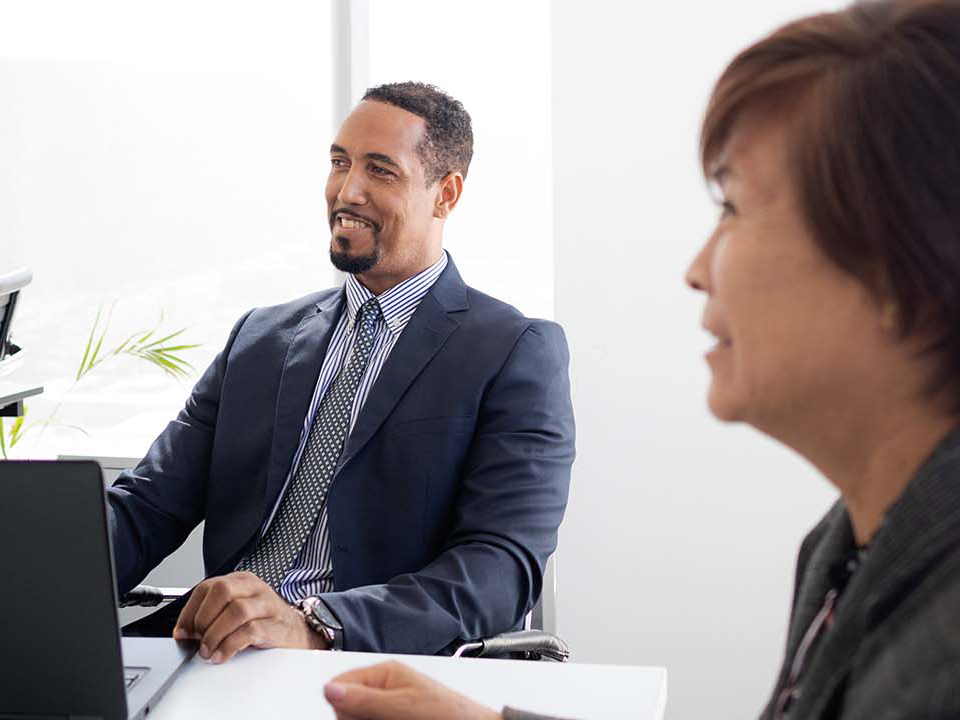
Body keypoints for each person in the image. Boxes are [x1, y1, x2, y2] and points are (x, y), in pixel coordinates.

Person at [321, 1, 960, 718]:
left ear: (907, 265)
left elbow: (498, 563)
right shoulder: (846, 543)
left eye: (737, 210)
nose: (696, 269)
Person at [107, 81, 576, 662]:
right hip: (215, 651)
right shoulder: (259, 338)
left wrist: (316, 624)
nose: (346, 191)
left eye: (380, 170)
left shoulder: (514, 351)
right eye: (339, 163)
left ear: (446, 195)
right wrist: (36, 566)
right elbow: (147, 506)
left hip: (369, 661)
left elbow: (500, 567)